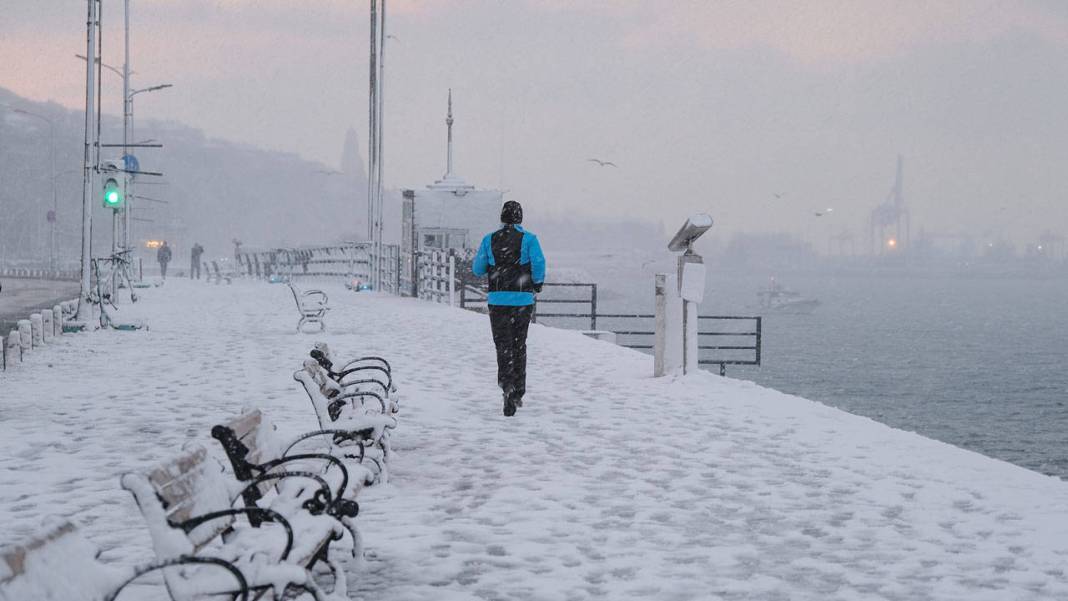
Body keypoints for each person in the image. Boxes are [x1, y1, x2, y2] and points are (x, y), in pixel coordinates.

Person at [472, 200, 546, 416]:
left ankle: (506, 386)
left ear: (502, 217)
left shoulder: (489, 239)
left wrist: (495, 266)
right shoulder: (530, 239)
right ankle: (518, 391)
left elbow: (478, 269)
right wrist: (537, 283)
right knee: (519, 344)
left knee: (502, 345)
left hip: (497, 300)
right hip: (522, 300)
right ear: (520, 218)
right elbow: (539, 264)